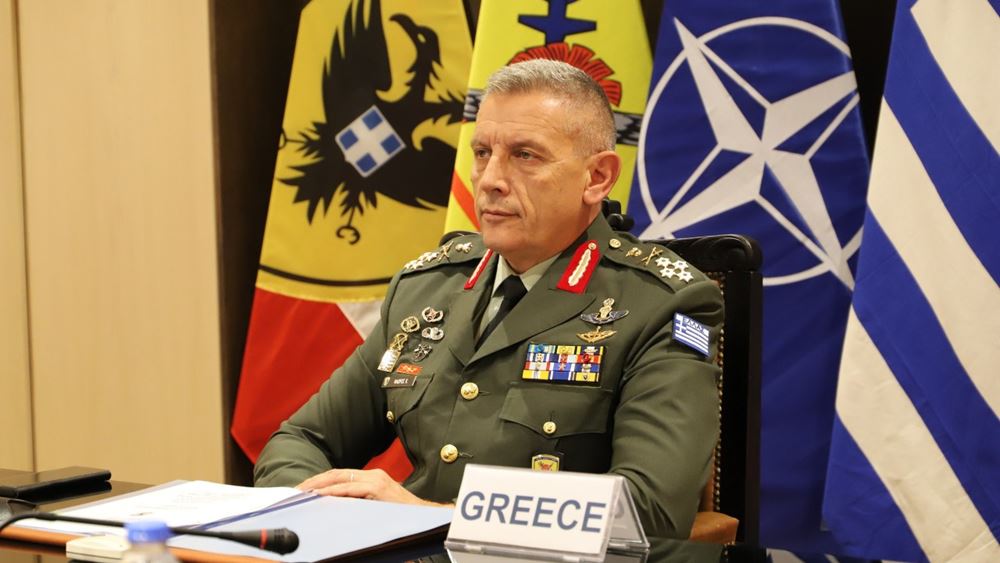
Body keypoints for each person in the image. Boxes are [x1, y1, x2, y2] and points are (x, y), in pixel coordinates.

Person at [254, 59, 723, 538]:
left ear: (597, 178)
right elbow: (300, 440)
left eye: (525, 155)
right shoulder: (426, 289)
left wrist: (434, 519)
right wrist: (327, 510)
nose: (489, 179)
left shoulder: (663, 304)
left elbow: (649, 508)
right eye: (482, 153)